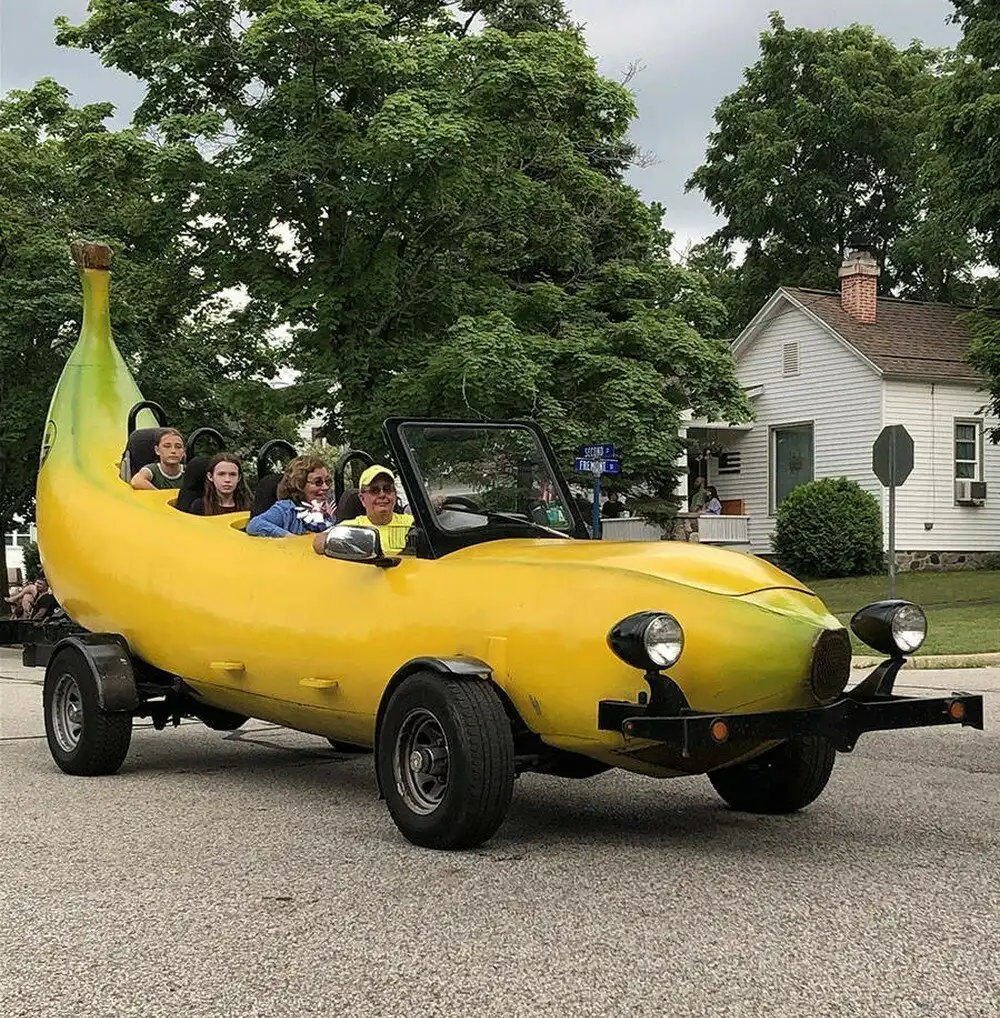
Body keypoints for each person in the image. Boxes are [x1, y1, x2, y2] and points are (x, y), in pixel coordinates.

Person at [316, 464, 414, 556]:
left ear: (395, 495)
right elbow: (319, 542)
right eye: (374, 490)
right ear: (362, 499)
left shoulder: (412, 524)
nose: (382, 495)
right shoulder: (352, 527)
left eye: (387, 489)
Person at [246, 455, 335, 537]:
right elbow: (254, 525)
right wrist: (289, 537)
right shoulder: (286, 508)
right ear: (300, 484)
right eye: (318, 482)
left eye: (327, 481)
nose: (325, 487)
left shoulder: (328, 508)